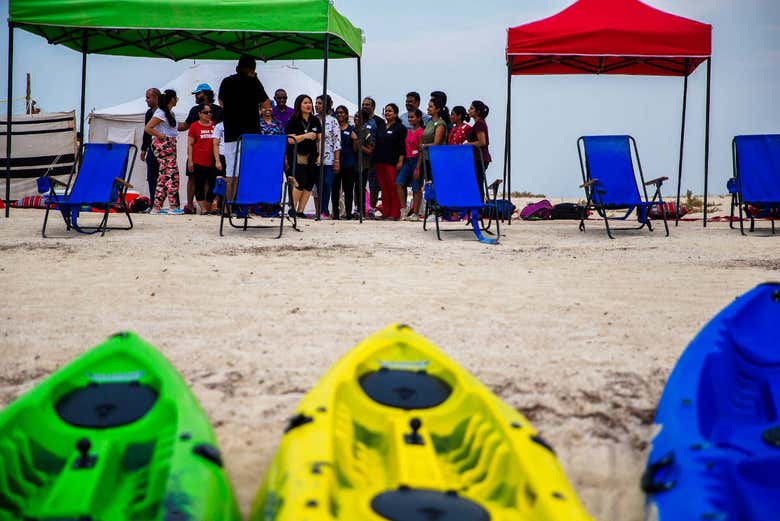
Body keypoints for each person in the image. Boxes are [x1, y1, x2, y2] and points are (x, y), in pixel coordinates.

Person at [218, 54, 270, 200]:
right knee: (250, 171)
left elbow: (221, 102)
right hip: (252, 133)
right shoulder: (254, 83)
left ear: (237, 67)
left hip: (231, 132)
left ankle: (229, 206)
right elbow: (266, 104)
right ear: (253, 69)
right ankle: (245, 206)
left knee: (231, 172)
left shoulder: (226, 81)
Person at [180, 83, 223, 213]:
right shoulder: (194, 110)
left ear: (206, 93)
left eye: (198, 94)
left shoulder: (218, 110)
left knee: (211, 181)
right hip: (196, 152)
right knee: (192, 178)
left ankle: (208, 207)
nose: (196, 96)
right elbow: (185, 126)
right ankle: (190, 205)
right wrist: (169, 123)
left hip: (213, 152)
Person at [144, 89, 183, 215]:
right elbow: (148, 127)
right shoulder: (161, 113)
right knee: (172, 174)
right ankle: (173, 205)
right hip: (164, 145)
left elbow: (177, 127)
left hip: (168, 144)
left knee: (163, 176)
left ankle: (156, 207)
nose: (177, 100)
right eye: (176, 98)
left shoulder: (168, 113)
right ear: (172, 99)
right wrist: (162, 136)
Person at [285, 94, 322, 217]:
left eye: (310, 103)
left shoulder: (315, 120)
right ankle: (292, 209)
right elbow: (290, 139)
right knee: (299, 181)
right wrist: (305, 136)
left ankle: (300, 211)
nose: (309, 105)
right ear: (299, 105)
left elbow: (320, 139)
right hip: (297, 154)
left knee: (309, 182)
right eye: (305, 103)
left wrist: (320, 155)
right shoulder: (294, 120)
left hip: (312, 154)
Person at [374, 104, 406, 220]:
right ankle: (386, 212)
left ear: (396, 114)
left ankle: (394, 213)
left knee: (393, 187)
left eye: (390, 111)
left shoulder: (400, 128)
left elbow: (402, 146)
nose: (387, 113)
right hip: (380, 161)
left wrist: (400, 161)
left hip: (392, 162)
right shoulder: (381, 126)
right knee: (384, 188)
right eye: (386, 111)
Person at [187, 105, 217, 215]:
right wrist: (190, 160)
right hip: (198, 160)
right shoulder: (194, 126)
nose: (209, 114)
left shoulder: (214, 125)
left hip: (212, 160)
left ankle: (208, 206)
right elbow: (190, 144)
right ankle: (203, 209)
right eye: (206, 112)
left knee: (212, 185)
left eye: (210, 112)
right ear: (199, 114)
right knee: (199, 184)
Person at [315, 95, 341, 218]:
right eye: (316, 103)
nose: (317, 105)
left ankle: (325, 209)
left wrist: (337, 159)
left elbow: (337, 142)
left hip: (329, 158)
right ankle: (320, 209)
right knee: (318, 184)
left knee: (326, 183)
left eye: (319, 103)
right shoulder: (313, 119)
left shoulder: (333, 120)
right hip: (315, 158)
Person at [396, 109, 424, 220]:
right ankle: (404, 208)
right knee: (399, 182)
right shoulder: (408, 131)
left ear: (418, 118)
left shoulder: (421, 132)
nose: (410, 119)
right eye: (409, 117)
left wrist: (418, 167)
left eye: (412, 117)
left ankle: (416, 213)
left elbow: (421, 150)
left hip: (416, 160)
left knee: (416, 187)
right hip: (407, 160)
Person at [416, 96, 448, 187]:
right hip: (426, 158)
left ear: (437, 109)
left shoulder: (440, 124)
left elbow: (436, 143)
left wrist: (423, 145)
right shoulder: (429, 123)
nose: (428, 108)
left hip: (436, 158)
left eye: (430, 107)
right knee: (428, 183)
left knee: (435, 183)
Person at [334, 106, 358, 219]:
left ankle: (348, 213)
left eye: (342, 112)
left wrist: (355, 139)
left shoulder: (351, 129)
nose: (340, 115)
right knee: (335, 189)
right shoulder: (333, 128)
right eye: (338, 113)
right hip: (335, 163)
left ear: (347, 115)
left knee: (348, 190)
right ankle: (335, 213)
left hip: (349, 163)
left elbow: (355, 149)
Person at [466, 100, 492, 202]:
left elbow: (482, 142)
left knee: (478, 181)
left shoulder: (479, 123)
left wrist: (468, 144)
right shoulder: (477, 124)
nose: (469, 110)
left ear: (478, 111)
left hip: (480, 157)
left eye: (472, 108)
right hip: (476, 157)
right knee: (476, 181)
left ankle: (479, 206)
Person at [354, 109, 376, 219]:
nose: (357, 119)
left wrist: (360, 147)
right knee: (354, 188)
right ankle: (355, 208)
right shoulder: (352, 130)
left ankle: (362, 209)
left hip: (363, 164)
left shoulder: (366, 133)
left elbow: (370, 150)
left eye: (359, 117)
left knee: (361, 187)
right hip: (351, 164)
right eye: (356, 116)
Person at [140, 88, 161, 204]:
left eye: (148, 97)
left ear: (156, 98)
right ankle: (154, 202)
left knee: (167, 176)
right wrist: (144, 148)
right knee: (151, 177)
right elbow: (146, 132)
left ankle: (173, 203)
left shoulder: (163, 112)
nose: (146, 100)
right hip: (152, 149)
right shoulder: (149, 113)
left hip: (163, 149)